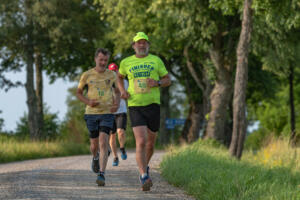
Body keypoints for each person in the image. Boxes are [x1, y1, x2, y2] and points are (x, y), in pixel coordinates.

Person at [118, 32, 171, 191]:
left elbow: (168, 79)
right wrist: (122, 91)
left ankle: (145, 166)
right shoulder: (126, 62)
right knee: (141, 141)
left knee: (150, 144)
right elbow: (119, 77)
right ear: (134, 45)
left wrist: (158, 82)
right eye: (138, 43)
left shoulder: (156, 60)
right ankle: (143, 176)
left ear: (148, 45)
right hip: (135, 106)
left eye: (144, 43)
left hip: (153, 105)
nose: (141, 45)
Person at [76, 48, 120, 187]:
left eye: (105, 60)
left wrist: (116, 104)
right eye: (100, 60)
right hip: (91, 113)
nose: (103, 62)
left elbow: (118, 91)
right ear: (95, 59)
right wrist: (88, 102)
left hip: (107, 113)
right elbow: (78, 93)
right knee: (94, 145)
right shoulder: (87, 75)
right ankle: (95, 157)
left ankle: (102, 174)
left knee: (103, 142)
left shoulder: (112, 75)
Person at [108, 63, 129, 166]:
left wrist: (123, 94)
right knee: (112, 136)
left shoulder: (124, 82)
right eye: (111, 71)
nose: (113, 73)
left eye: (115, 71)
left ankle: (122, 147)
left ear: (118, 71)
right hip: (110, 113)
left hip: (121, 111)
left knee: (120, 132)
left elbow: (127, 95)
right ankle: (115, 157)